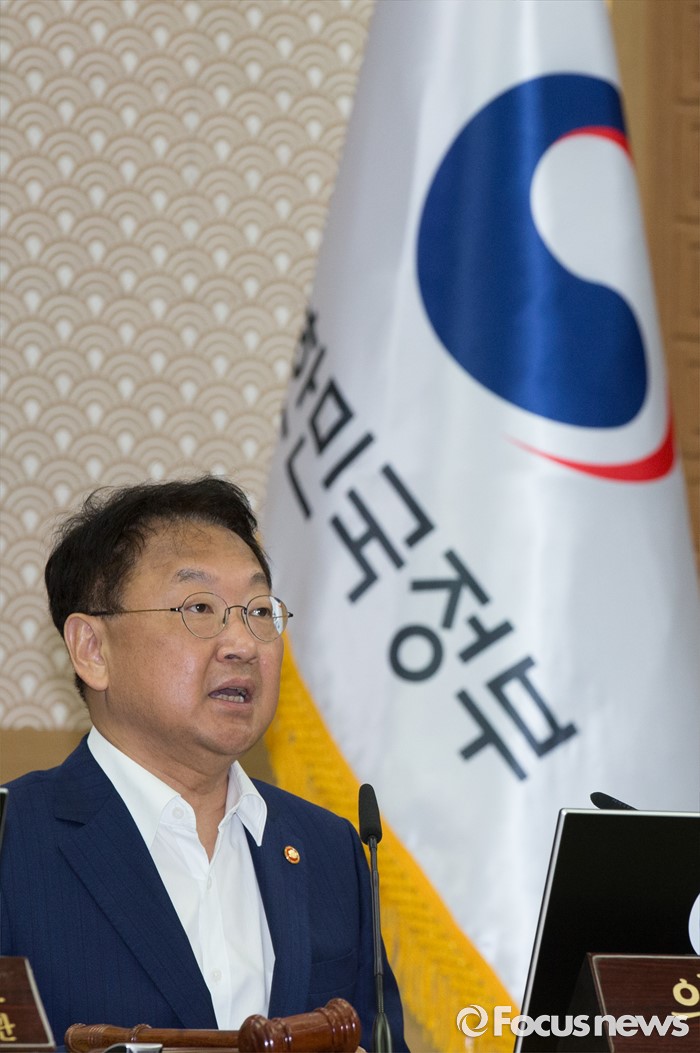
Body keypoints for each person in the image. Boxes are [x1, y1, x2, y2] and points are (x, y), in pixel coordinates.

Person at [0, 476, 407, 1050]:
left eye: (259, 611)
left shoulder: (330, 850)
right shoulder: (13, 841)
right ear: (93, 650)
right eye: (199, 607)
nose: (243, 643)